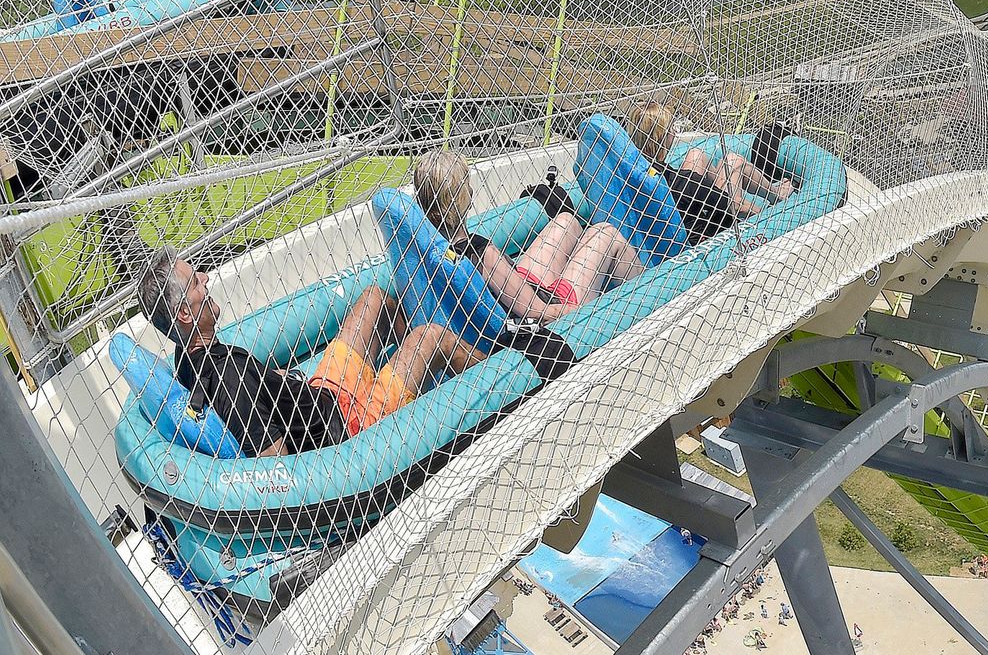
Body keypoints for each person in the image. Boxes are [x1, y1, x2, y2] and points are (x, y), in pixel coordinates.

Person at [135, 247, 486, 456]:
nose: (207, 278)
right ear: (184, 313)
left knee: (374, 300)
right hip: (348, 431)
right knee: (430, 338)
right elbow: (276, 461)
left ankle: (413, 386)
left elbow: (260, 395)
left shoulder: (187, 357)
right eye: (196, 281)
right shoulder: (229, 378)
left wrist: (278, 382)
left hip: (323, 395)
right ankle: (499, 371)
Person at [413, 149, 643, 323]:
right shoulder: (481, 252)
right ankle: (644, 301)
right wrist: (581, 310)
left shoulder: (428, 247)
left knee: (567, 221)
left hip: (519, 285)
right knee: (605, 233)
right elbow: (539, 312)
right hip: (546, 303)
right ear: (465, 195)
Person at [627, 101, 795, 245]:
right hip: (708, 234)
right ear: (662, 136)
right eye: (672, 128)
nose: (675, 132)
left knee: (696, 155)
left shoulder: (640, 167)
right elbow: (734, 206)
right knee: (733, 162)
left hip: (686, 210)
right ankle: (777, 196)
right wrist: (769, 217)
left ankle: (752, 188)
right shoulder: (681, 181)